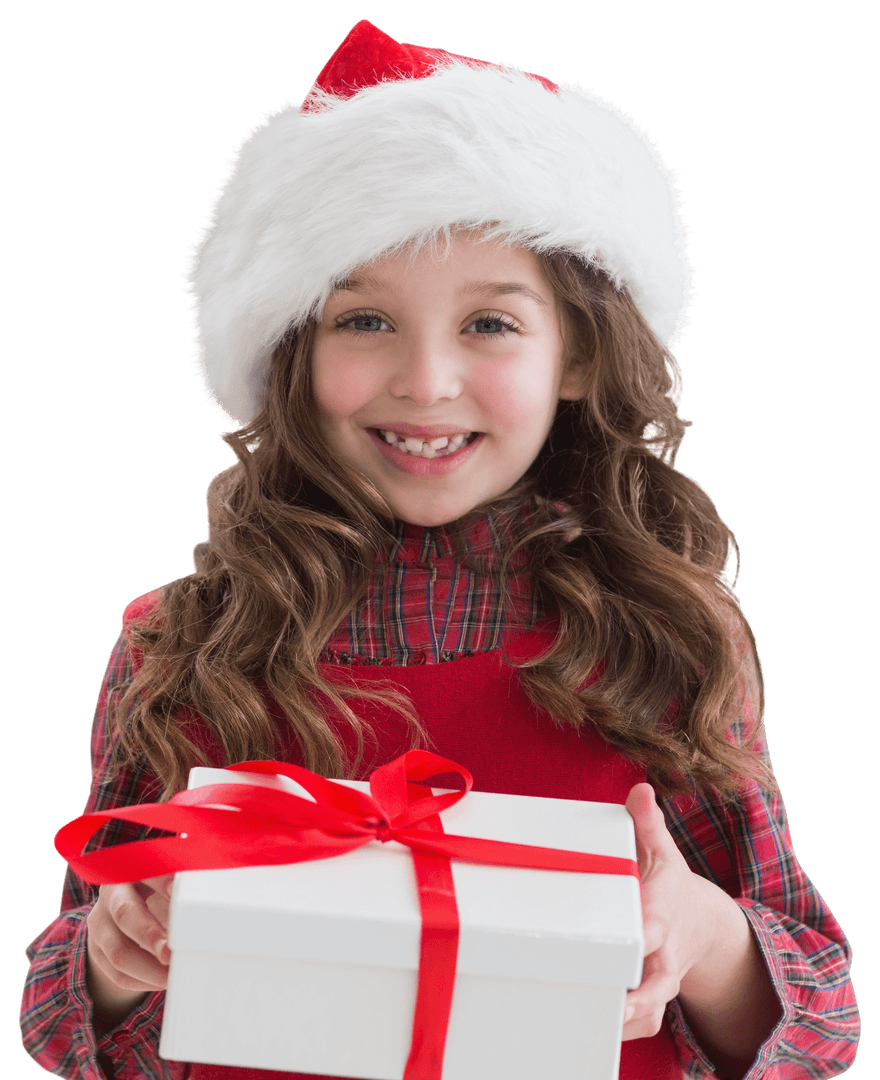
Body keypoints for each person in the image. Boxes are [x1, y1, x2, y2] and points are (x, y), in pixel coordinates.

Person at [20, 19, 859, 1080]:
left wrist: (698, 936)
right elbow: (69, 1026)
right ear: (291, 353)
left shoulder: (668, 640)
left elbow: (818, 1023)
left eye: (490, 325)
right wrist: (113, 954)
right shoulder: (181, 647)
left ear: (575, 356)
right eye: (363, 321)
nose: (424, 381)